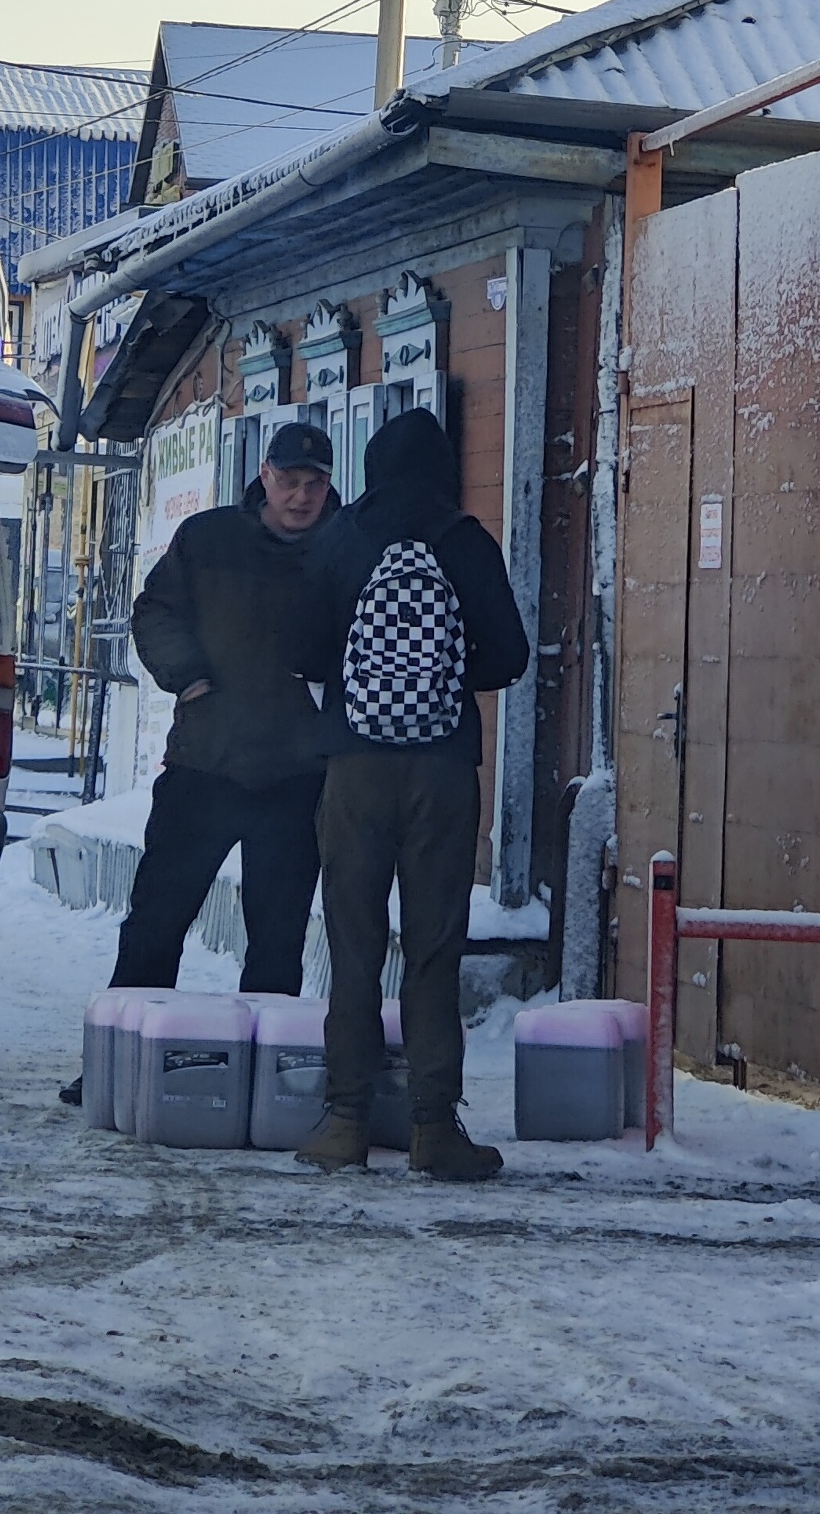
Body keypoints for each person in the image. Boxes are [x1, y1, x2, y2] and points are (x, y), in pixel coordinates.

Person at [58, 422, 336, 1104]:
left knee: (277, 935)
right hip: (204, 762)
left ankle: (264, 1084)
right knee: (157, 918)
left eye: (315, 483)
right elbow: (153, 611)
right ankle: (116, 1063)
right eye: (290, 481)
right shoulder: (210, 539)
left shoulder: (346, 547)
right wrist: (187, 677)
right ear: (264, 477)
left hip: (297, 772)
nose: (302, 497)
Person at [295, 407, 529, 1182]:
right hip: (439, 772)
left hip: (354, 770)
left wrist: (364, 685)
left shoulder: (339, 537)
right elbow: (508, 658)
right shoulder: (463, 541)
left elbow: (307, 652)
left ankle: (346, 1121)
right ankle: (434, 1128)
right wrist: (438, 678)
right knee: (433, 948)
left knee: (353, 943)